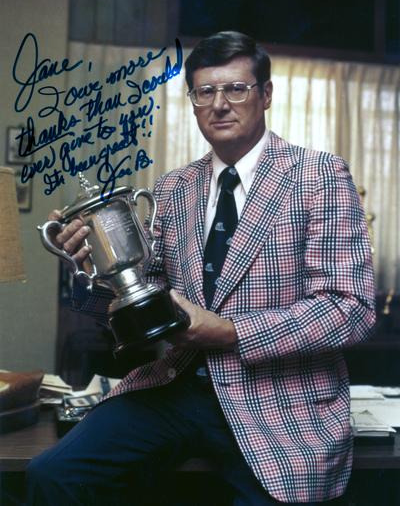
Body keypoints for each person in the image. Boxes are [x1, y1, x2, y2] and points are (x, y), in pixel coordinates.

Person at [26, 31, 375, 505]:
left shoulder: (319, 175)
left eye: (237, 88)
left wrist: (230, 331)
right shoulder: (174, 187)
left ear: (266, 94)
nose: (220, 104)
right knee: (51, 475)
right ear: (192, 101)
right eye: (205, 91)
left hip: (279, 405)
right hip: (177, 388)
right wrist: (90, 267)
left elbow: (349, 309)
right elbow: (144, 299)